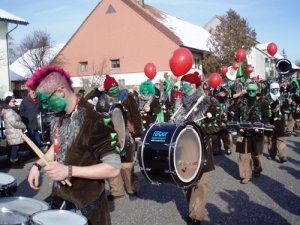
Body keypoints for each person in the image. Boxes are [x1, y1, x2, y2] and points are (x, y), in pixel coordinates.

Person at [26, 65, 121, 225]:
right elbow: (57, 146)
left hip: (87, 209)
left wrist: (68, 170)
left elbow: (113, 167)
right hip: (62, 202)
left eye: (46, 101)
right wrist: (37, 165)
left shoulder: (95, 121)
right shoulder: (62, 117)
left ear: (61, 92)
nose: (45, 107)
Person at [85, 75, 143, 201]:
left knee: (127, 163)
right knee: (111, 162)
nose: (115, 89)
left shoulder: (127, 97)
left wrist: (138, 133)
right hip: (107, 134)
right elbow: (85, 101)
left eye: (116, 86)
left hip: (125, 133)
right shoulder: (100, 98)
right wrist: (98, 90)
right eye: (111, 88)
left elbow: (135, 115)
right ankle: (116, 191)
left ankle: (132, 189)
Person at [174, 72, 221, 225]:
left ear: (193, 85)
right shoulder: (179, 103)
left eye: (184, 84)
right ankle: (193, 209)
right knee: (186, 182)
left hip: (202, 149)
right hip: (183, 150)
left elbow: (216, 126)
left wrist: (196, 129)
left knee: (200, 184)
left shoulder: (209, 102)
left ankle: (196, 215)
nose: (182, 87)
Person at [233, 82, 271, 184]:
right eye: (249, 90)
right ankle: (245, 175)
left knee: (256, 154)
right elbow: (236, 115)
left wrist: (261, 126)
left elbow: (267, 116)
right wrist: (238, 126)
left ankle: (257, 169)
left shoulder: (263, 102)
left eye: (253, 91)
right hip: (243, 131)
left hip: (257, 131)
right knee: (243, 155)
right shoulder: (240, 101)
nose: (250, 92)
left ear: (256, 91)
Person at [266, 82, 291, 163]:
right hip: (270, 120)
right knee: (271, 137)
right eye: (273, 89)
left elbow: (288, 108)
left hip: (280, 120)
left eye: (277, 89)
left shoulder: (282, 97)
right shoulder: (267, 98)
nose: (275, 91)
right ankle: (272, 153)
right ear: (270, 89)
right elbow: (264, 108)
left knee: (281, 138)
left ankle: (282, 156)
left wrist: (282, 109)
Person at [1, 95, 26, 169]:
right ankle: (14, 163)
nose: (15, 102)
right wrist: (23, 126)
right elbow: (14, 122)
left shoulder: (10, 110)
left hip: (14, 132)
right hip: (13, 132)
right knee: (15, 148)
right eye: (13, 101)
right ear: (8, 102)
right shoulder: (8, 112)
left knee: (15, 148)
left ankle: (16, 162)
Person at [212, 89, 233, 155]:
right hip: (216, 119)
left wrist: (231, 113)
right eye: (220, 96)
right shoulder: (214, 101)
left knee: (226, 136)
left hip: (225, 120)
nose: (221, 98)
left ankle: (228, 148)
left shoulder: (228, 102)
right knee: (215, 136)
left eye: (223, 96)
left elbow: (231, 110)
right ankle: (216, 149)